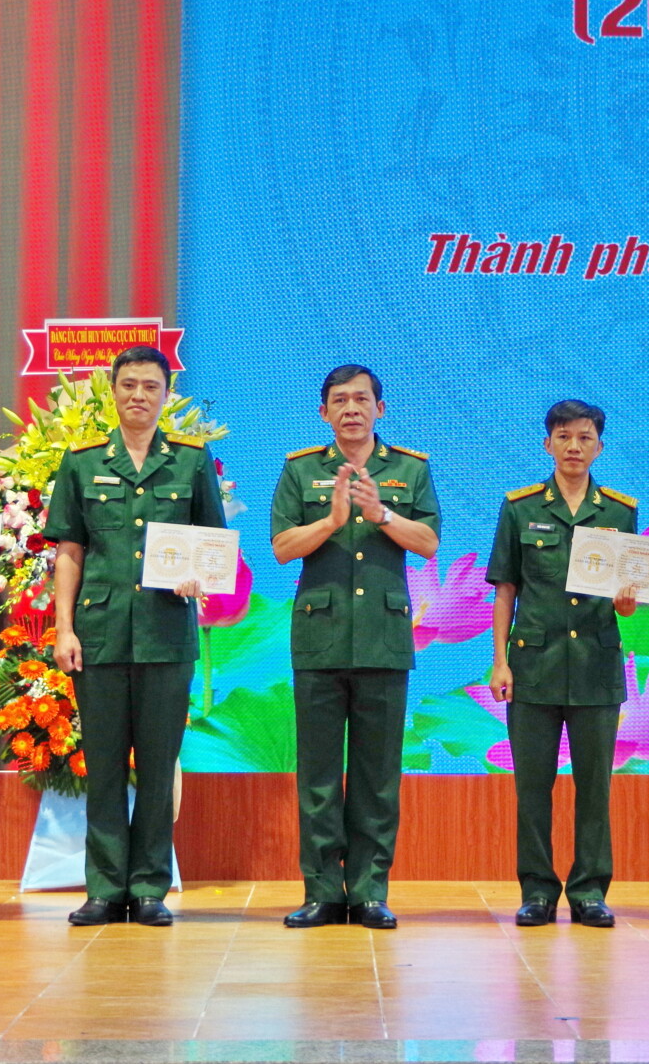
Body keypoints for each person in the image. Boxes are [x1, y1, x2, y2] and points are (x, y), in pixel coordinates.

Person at [45, 345, 225, 927]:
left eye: (151, 386)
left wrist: (199, 578)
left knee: (157, 764)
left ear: (166, 395)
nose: (139, 395)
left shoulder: (191, 463)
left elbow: (213, 546)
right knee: (101, 766)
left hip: (165, 635)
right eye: (129, 385)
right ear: (113, 391)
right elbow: (69, 552)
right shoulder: (81, 463)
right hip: (98, 634)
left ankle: (148, 887)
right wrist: (64, 628)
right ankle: (103, 889)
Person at [271, 365, 439, 929]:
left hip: (383, 642)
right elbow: (281, 547)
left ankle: (369, 892)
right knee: (318, 775)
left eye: (361, 400)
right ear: (324, 413)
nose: (351, 409)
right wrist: (332, 521)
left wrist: (382, 514)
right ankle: (322, 892)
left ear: (379, 409)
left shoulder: (410, 469)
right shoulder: (300, 470)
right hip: (319, 641)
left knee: (376, 777)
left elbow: (429, 542)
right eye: (339, 401)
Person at [485, 399, 639, 929]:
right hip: (534, 666)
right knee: (533, 787)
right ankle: (537, 891)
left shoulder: (619, 511)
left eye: (585, 437)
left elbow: (626, 598)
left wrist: (626, 602)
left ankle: (590, 891)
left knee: (595, 787)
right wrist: (500, 661)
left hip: (596, 666)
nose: (574, 446)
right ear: (547, 443)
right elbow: (505, 589)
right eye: (564, 437)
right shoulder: (520, 508)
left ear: (600, 446)